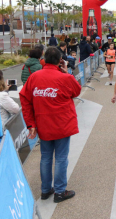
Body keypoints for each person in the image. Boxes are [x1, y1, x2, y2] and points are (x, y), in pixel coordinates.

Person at [20, 46, 81, 203]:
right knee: (61, 158)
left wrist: (30, 123)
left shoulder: (34, 77)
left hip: (43, 124)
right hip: (62, 124)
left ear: (44, 59)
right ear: (60, 61)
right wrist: (66, 72)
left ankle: (45, 190)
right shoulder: (65, 78)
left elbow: (24, 98)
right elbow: (77, 91)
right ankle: (60, 191)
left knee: (46, 157)